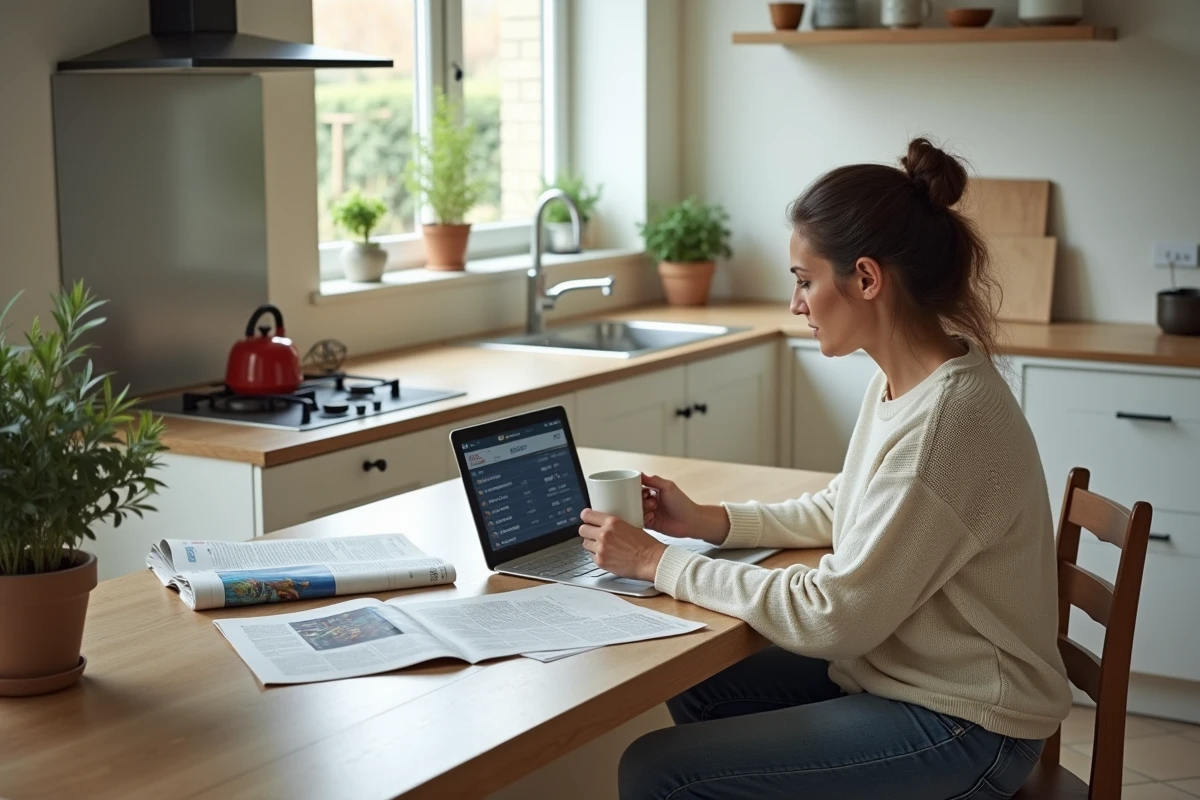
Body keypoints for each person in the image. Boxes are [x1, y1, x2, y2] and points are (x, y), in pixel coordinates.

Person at [576, 137, 1072, 800]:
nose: (796, 304)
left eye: (805, 281)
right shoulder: (909, 381)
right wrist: (710, 521)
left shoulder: (945, 423)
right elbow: (847, 508)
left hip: (967, 726)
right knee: (691, 674)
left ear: (866, 279)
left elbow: (836, 615)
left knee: (656, 770)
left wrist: (657, 562)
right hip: (907, 675)